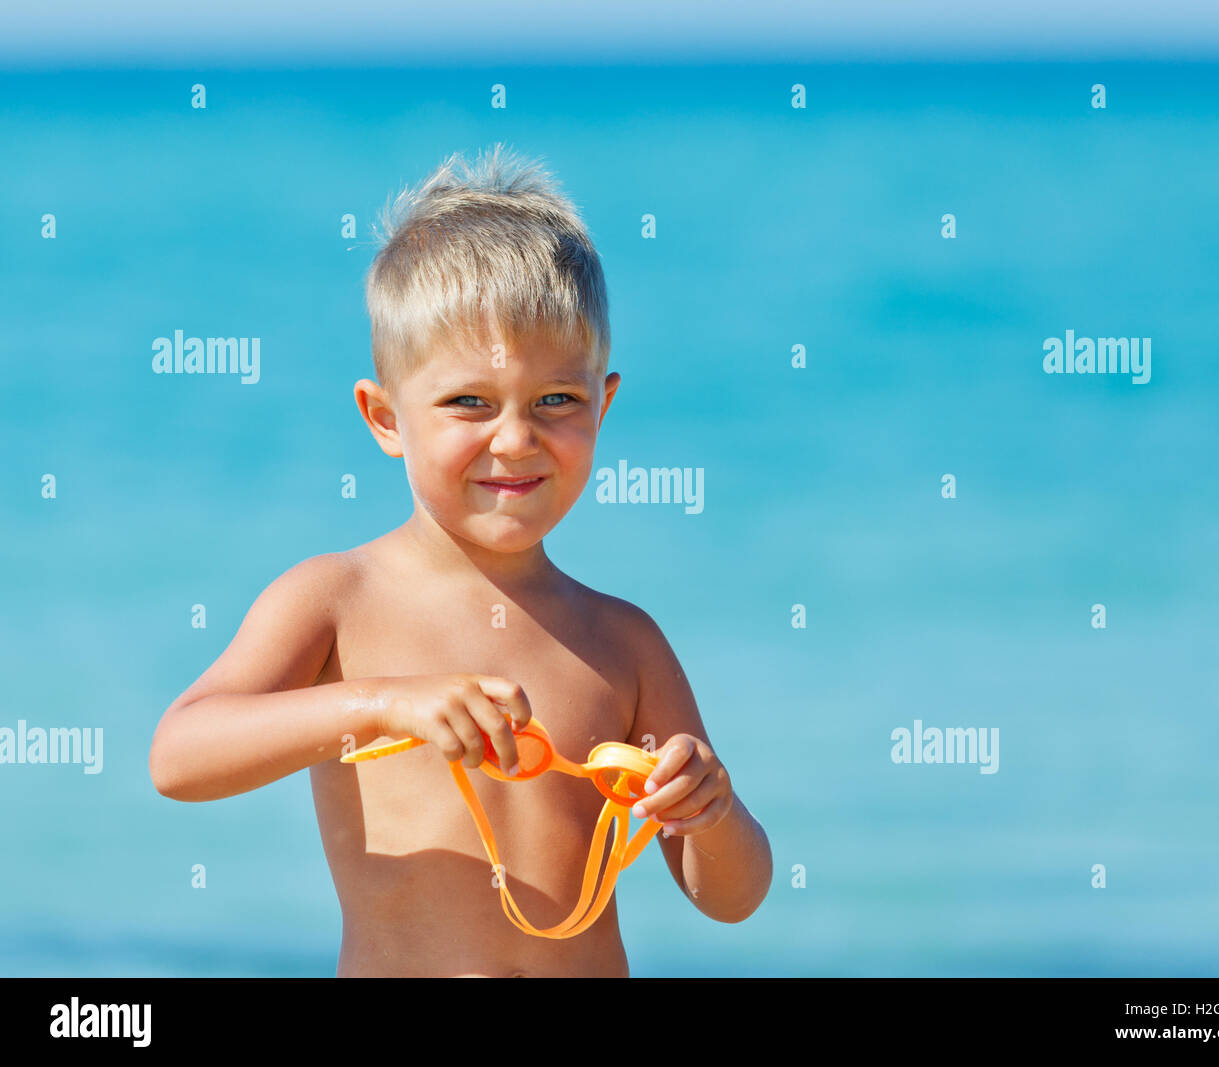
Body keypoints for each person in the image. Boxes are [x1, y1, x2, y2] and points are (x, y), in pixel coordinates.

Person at [148, 143, 772, 977]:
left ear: (605, 404)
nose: (515, 439)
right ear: (385, 418)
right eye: (468, 403)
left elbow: (730, 896)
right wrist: (381, 706)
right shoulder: (336, 601)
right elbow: (180, 756)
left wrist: (711, 812)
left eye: (558, 400)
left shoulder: (622, 641)